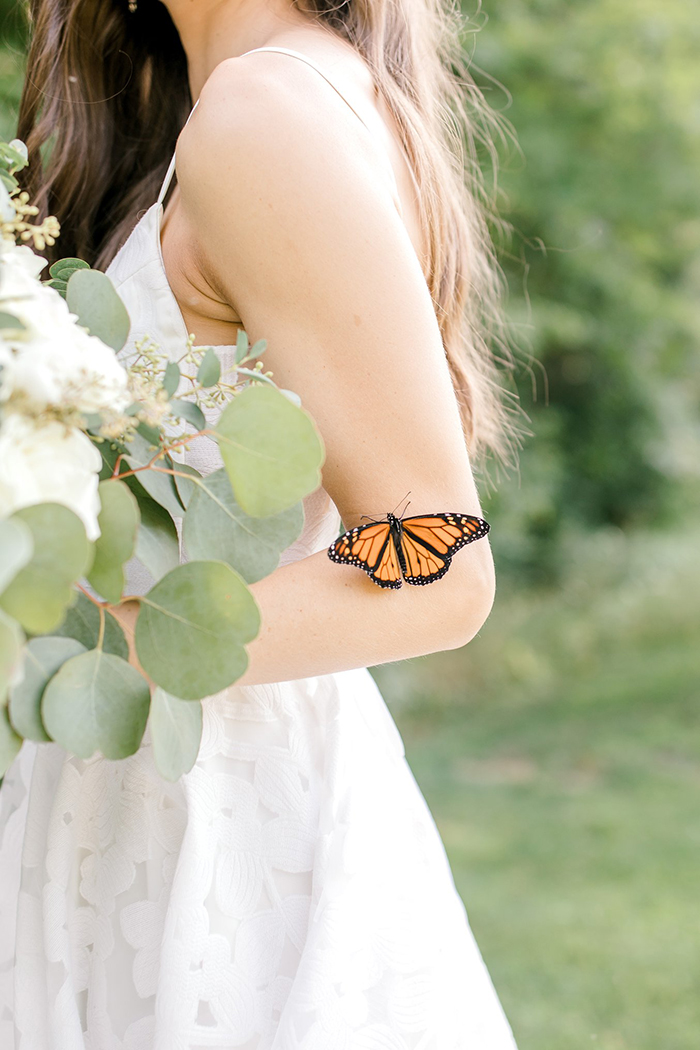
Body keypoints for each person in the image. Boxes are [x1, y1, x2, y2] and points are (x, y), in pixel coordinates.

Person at [0, 0, 523, 1045]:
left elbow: (437, 567)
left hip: (209, 826)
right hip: (138, 782)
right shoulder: (220, 105)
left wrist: (71, 647)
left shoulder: (265, 115)